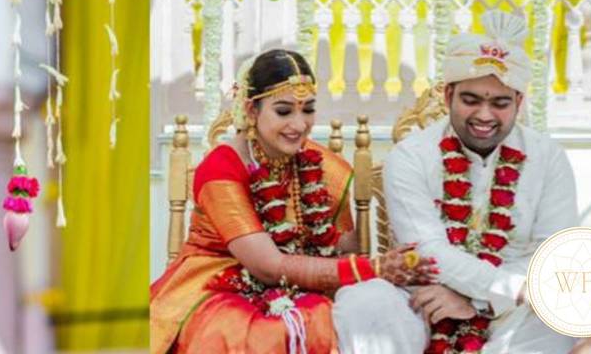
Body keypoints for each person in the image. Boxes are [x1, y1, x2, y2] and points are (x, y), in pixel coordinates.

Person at [150, 49, 438, 353]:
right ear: (251, 111)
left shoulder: (322, 165)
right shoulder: (222, 167)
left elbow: (341, 247)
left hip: (299, 281)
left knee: (358, 313)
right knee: (249, 331)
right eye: (284, 111)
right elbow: (268, 266)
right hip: (217, 282)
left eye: (308, 109)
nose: (299, 125)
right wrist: (374, 268)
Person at [333, 10, 579, 354]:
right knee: (363, 301)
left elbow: (553, 254)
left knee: (563, 314)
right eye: (471, 100)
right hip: (424, 299)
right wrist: (487, 291)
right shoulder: (412, 156)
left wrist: (481, 301)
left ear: (519, 104)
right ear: (448, 96)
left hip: (515, 307)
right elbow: (428, 251)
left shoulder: (547, 158)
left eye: (500, 103)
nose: (484, 115)